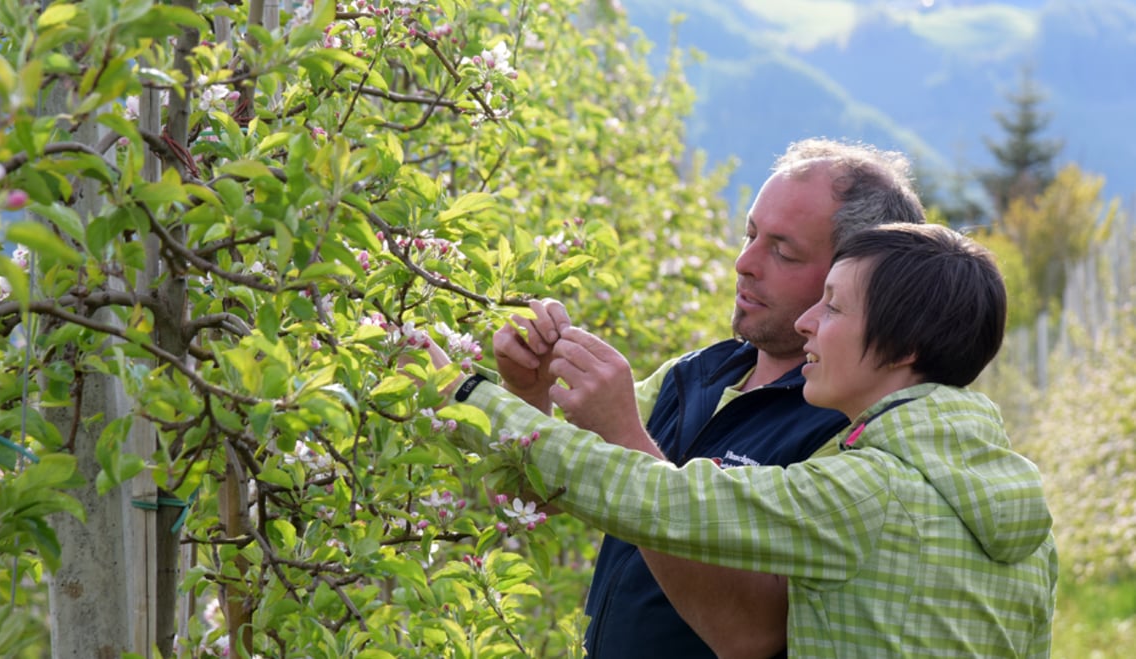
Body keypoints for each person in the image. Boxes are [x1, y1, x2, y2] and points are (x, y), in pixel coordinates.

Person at [433, 222, 1057, 657]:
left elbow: (656, 500)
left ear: (905, 347)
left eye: (834, 307)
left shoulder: (868, 492)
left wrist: (458, 394)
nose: (810, 319)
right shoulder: (1015, 504)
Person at [485, 138, 928, 658]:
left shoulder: (851, 426)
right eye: (750, 235)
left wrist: (625, 437)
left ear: (855, 280)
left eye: (783, 251)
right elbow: (528, 502)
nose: (745, 262)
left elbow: (752, 634)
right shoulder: (693, 375)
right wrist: (529, 390)